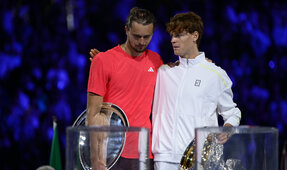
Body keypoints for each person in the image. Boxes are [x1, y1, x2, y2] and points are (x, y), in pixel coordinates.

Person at [151, 11, 242, 170]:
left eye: (179, 35)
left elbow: (232, 112)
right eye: (172, 36)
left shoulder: (215, 74)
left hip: (198, 159)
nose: (173, 40)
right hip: (163, 158)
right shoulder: (163, 72)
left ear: (195, 36)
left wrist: (227, 129)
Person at [86, 7, 163, 170]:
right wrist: (96, 158)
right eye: (137, 36)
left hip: (144, 153)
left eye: (146, 37)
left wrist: (200, 61)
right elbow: (92, 114)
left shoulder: (156, 61)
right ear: (126, 30)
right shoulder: (103, 60)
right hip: (111, 153)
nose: (141, 42)